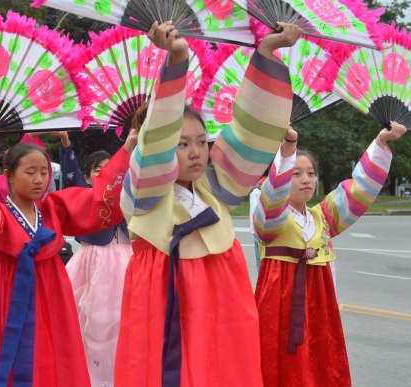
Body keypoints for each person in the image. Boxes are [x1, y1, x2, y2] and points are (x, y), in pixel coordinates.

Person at [115, 21, 301, 386]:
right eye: (182, 144)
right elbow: (156, 140)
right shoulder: (144, 191)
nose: (197, 152)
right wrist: (177, 58)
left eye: (201, 142)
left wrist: (267, 53)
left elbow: (250, 133)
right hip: (167, 304)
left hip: (225, 306)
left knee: (227, 370)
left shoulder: (216, 188)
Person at [0, 114, 135, 386]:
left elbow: (99, 200)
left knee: (52, 352)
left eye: (44, 172)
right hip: (7, 288)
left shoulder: (54, 207)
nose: (39, 179)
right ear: (9, 176)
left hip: (51, 288)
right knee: (3, 353)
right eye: (30, 172)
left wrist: (128, 149)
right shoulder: (0, 214)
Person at [252, 122, 406, 386]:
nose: (305, 179)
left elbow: (358, 189)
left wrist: (381, 143)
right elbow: (272, 199)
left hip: (321, 314)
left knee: (322, 369)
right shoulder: (269, 219)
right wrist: (288, 147)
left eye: (311, 173)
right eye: (295, 173)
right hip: (280, 313)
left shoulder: (322, 216)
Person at [54, 131, 133, 386]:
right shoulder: (86, 198)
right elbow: (72, 181)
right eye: (98, 170)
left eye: (109, 168)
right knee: (90, 324)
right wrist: (66, 144)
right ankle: (89, 377)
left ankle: (121, 375)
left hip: (125, 261)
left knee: (124, 323)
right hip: (92, 264)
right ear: (88, 177)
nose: (104, 173)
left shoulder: (125, 198)